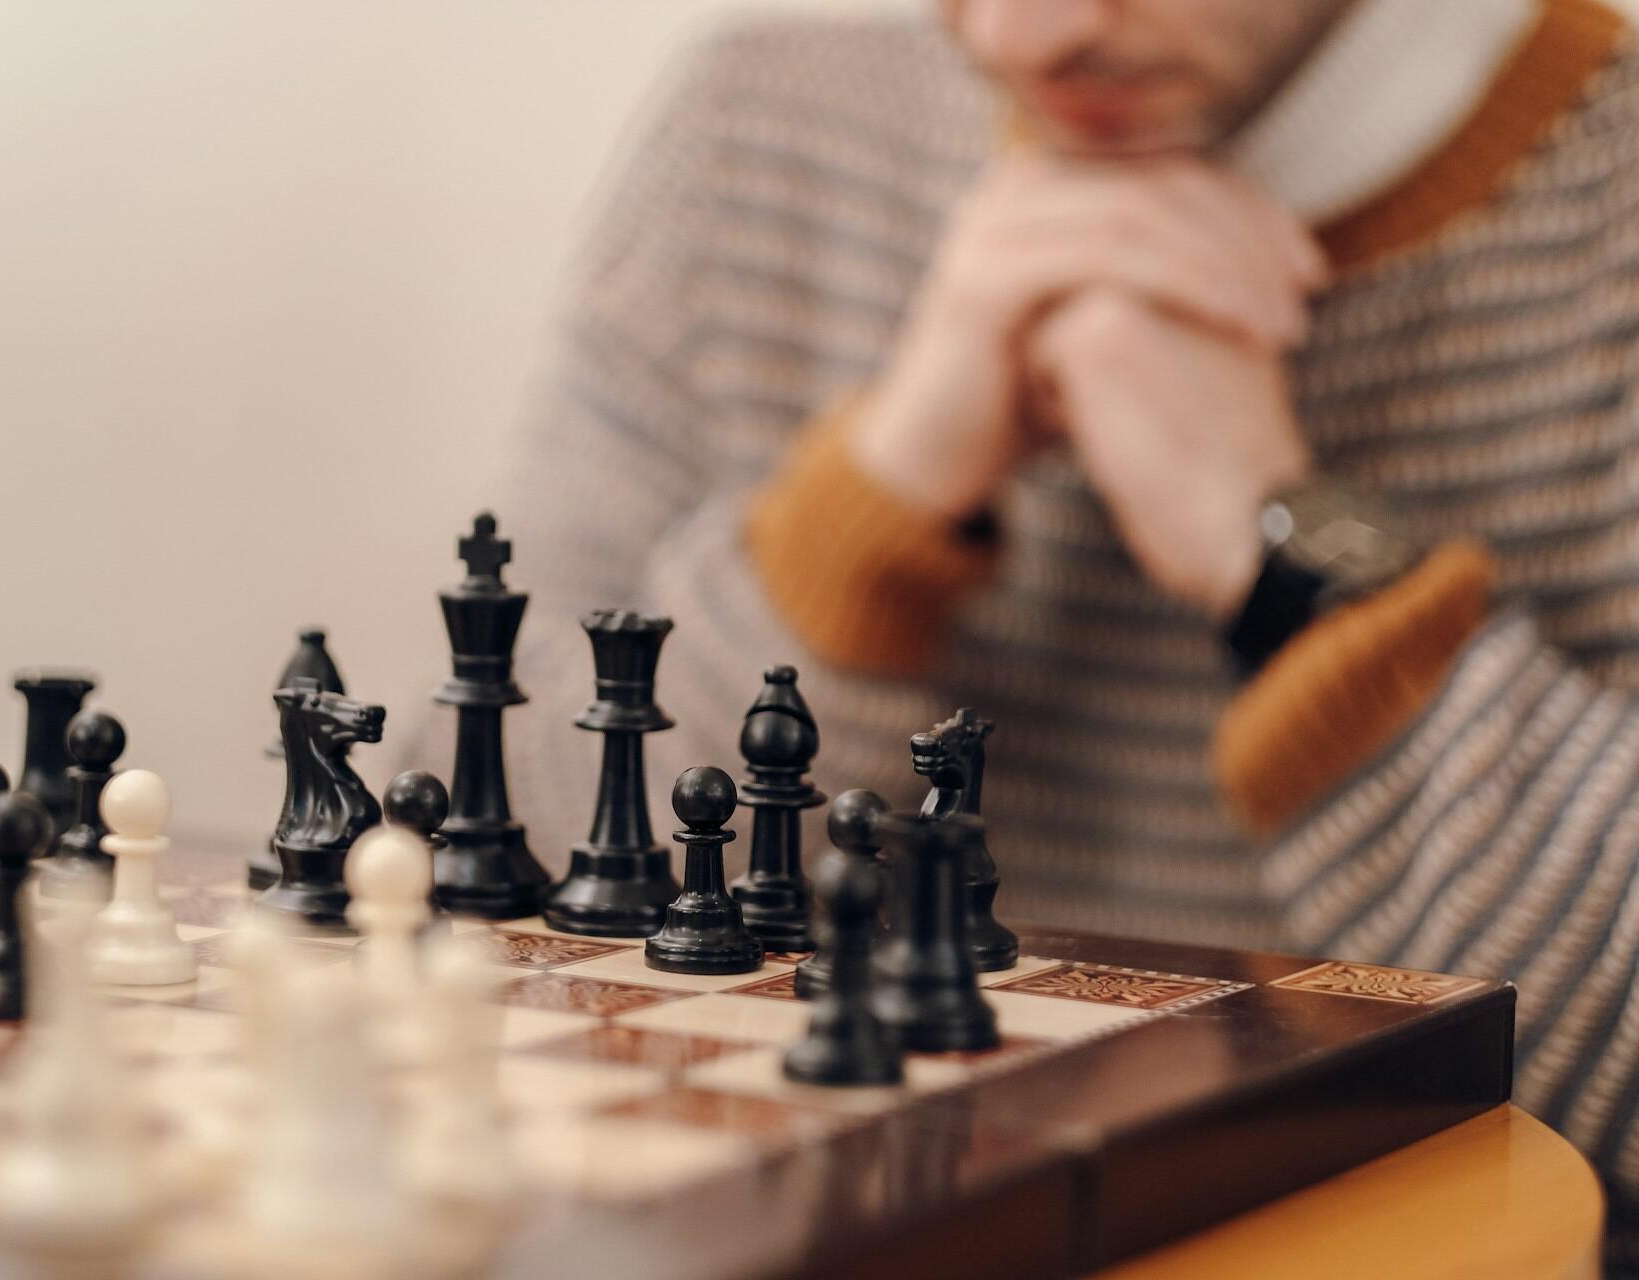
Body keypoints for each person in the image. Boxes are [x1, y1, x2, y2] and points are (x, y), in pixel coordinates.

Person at [398, 0, 1639, 1260]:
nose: (1017, 36)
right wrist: (874, 502)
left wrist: (1286, 565)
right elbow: (467, 875)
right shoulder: (758, 132)